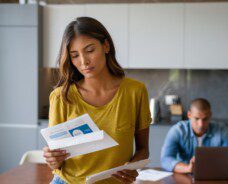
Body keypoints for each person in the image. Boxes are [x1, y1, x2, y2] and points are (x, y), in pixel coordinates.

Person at [43, 17, 151, 184]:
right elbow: (57, 162)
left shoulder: (135, 91)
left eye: (90, 50)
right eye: (75, 55)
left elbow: (144, 149)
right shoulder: (60, 97)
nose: (84, 61)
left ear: (106, 46)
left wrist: (132, 167)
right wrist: (52, 159)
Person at [161, 98, 228, 173]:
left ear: (210, 115)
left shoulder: (221, 131)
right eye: (196, 118)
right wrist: (187, 168)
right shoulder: (178, 131)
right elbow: (166, 159)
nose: (201, 124)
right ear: (189, 115)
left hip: (213, 175)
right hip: (185, 175)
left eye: (205, 119)